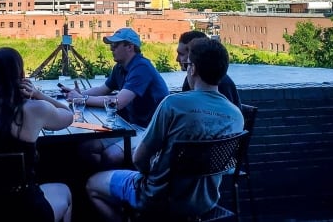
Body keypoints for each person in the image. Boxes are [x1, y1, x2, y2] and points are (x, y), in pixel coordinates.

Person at [85, 37, 245, 222]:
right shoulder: (236, 116)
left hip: (157, 198)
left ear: (192, 69)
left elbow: (139, 159)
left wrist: (150, 174)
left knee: (92, 184)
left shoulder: (173, 104)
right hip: (204, 202)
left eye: (187, 64)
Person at [0, 47, 74, 222]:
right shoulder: (35, 110)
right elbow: (68, 115)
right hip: (23, 211)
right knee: (64, 191)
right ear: (20, 77)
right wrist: (36, 94)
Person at [61, 27, 169, 169]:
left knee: (110, 156)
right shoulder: (120, 67)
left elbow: (118, 102)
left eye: (115, 45)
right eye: (111, 45)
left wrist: (81, 99)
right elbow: (102, 90)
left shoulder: (142, 67)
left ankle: (108, 184)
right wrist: (79, 94)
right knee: (86, 147)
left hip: (150, 129)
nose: (111, 49)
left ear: (130, 47)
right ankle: (96, 182)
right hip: (130, 125)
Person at [176, 30, 241, 108]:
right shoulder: (218, 79)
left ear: (193, 53)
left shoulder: (219, 84)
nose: (177, 59)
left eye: (181, 54)